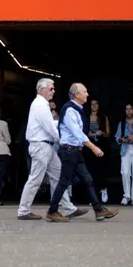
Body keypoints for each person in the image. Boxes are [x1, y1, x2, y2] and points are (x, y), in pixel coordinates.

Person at [45, 83, 118, 222]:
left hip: (75, 151)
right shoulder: (70, 111)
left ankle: (99, 210)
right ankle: (52, 211)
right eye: (85, 91)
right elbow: (77, 133)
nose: (87, 94)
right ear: (77, 95)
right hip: (69, 150)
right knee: (64, 182)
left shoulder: (77, 109)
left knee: (88, 179)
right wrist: (93, 147)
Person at [17, 78, 82, 221]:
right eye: (51, 89)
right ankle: (23, 210)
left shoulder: (40, 104)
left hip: (45, 146)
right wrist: (65, 139)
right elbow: (50, 128)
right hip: (41, 145)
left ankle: (68, 207)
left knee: (58, 176)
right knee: (35, 179)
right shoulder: (41, 105)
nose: (53, 91)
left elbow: (50, 125)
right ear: (42, 89)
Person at [87, 99, 111, 203]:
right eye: (92, 104)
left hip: (101, 145)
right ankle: (93, 195)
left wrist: (101, 133)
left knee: (101, 169)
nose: (94, 106)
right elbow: (84, 132)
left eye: (96, 104)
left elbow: (108, 133)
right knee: (90, 170)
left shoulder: (103, 117)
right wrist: (92, 134)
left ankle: (103, 189)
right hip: (89, 145)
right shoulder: (86, 117)